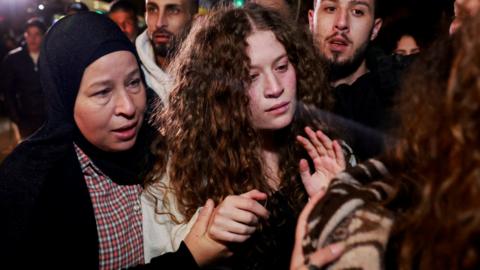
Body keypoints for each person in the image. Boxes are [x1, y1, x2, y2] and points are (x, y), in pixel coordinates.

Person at [0, 12, 225, 269]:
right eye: (103, 92)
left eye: (133, 82)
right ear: (65, 97)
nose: (128, 107)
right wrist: (189, 259)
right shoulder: (28, 185)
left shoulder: (159, 151)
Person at [144, 4, 349, 269]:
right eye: (251, 76)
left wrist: (334, 208)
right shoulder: (176, 177)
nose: (275, 88)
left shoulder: (326, 155)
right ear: (218, 91)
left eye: (282, 67)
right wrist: (198, 238)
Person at [300, 10, 480, 270]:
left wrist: (345, 201)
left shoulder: (403, 94)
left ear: (375, 28)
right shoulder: (299, 103)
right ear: (310, 18)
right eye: (330, 8)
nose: (341, 23)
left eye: (358, 11)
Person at [136, 0, 198, 103]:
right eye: (152, 9)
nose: (159, 23)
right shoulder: (129, 70)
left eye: (173, 10)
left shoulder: (214, 74)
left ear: (193, 19)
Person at [0, 18, 47, 139]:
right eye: (29, 34)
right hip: (26, 117)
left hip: (48, 116)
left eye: (37, 34)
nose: (32, 38)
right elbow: (8, 92)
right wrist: (15, 117)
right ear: (25, 35)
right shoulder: (13, 59)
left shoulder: (50, 57)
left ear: (43, 36)